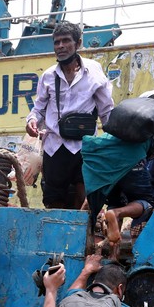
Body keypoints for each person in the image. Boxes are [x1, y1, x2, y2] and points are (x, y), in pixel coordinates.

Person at [27, 22, 115, 210]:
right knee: (53, 202)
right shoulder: (48, 76)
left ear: (78, 43)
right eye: (56, 42)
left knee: (85, 202)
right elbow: (38, 109)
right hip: (54, 147)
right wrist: (32, 120)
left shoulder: (94, 71)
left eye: (66, 41)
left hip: (85, 146)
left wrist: (113, 143)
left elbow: (106, 110)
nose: (60, 46)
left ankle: (85, 238)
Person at [84, 117, 154, 251]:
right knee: (146, 203)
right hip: (131, 159)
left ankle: (113, 254)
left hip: (102, 156)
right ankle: (116, 213)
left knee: (115, 202)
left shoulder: (134, 130)